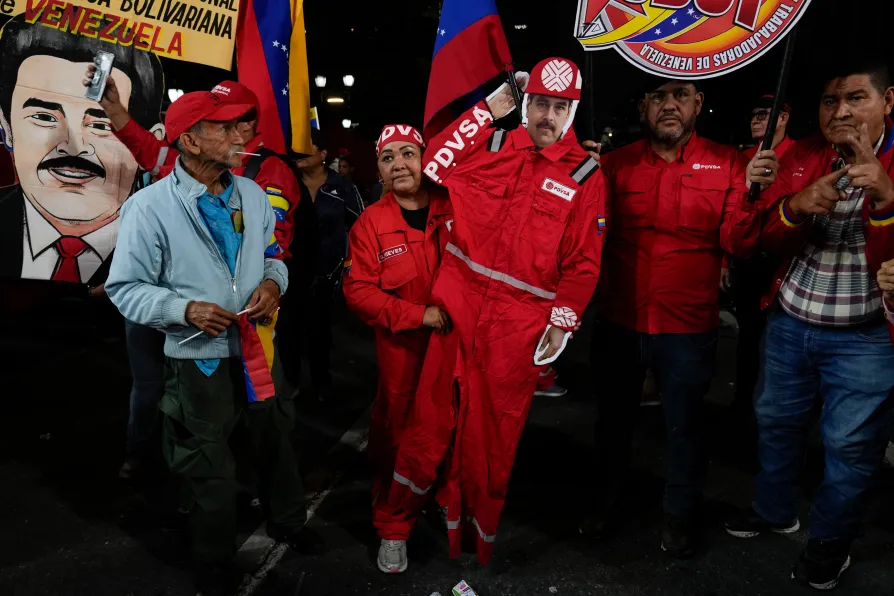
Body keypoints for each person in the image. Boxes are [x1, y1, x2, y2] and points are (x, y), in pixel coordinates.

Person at [385, 57, 607, 571]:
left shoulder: (585, 176)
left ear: (572, 112)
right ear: (526, 103)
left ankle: (468, 535)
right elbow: (434, 163)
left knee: (491, 440)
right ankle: (394, 524)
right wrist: (487, 110)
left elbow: (583, 262)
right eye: (540, 103)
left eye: (560, 107)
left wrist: (562, 322)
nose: (547, 116)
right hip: (457, 308)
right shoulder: (490, 144)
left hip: (517, 327)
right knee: (428, 425)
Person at [105, 91, 321, 594]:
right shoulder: (148, 208)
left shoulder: (251, 194)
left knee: (275, 441)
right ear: (190, 141)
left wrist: (274, 285)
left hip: (258, 350)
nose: (238, 135)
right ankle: (213, 556)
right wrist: (184, 310)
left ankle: (289, 521)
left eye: (238, 126)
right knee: (207, 463)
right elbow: (125, 289)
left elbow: (273, 258)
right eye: (223, 128)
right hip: (196, 362)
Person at [582, 76, 778, 557]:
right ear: (643, 107)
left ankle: (679, 515)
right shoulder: (612, 164)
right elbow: (583, 235)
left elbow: (739, 244)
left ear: (698, 103)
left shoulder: (731, 163)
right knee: (611, 423)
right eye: (657, 96)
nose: (669, 105)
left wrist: (754, 195)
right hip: (619, 319)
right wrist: (576, 178)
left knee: (686, 428)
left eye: (680, 95)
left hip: (688, 327)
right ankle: (603, 504)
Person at [724, 58, 894, 591]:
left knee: (850, 446)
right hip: (792, 320)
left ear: (888, 102)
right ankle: (773, 509)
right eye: (829, 101)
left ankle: (830, 542)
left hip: (868, 336)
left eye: (856, 98)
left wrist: (887, 201)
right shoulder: (798, 155)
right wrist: (793, 208)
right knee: (775, 421)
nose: (840, 112)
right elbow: (756, 242)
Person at [342, 125, 453, 574]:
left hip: (458, 352)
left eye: (408, 153)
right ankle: (393, 527)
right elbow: (358, 292)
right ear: (380, 171)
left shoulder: (457, 206)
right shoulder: (371, 223)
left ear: (426, 158)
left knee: (456, 435)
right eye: (388, 158)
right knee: (399, 442)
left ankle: (444, 501)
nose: (399, 164)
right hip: (405, 359)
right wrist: (418, 315)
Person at [0, 15, 163, 283]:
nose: (74, 146)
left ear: (149, 142)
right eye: (44, 117)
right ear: (6, 127)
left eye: (101, 125)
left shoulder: (170, 240)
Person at [725, 95, 795, 417]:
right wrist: (725, 261)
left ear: (783, 118)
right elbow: (728, 214)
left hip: (787, 264)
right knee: (749, 338)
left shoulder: (801, 154)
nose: (755, 119)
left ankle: (781, 411)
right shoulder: (741, 158)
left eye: (764, 114)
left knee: (784, 341)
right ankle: (743, 407)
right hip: (749, 261)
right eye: (753, 114)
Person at [290, 129, 365, 401]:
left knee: (320, 330)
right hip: (289, 271)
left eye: (306, 147)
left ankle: (322, 382)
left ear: (322, 154)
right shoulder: (286, 182)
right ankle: (291, 384)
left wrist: (349, 267)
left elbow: (361, 226)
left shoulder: (342, 186)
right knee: (290, 331)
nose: (298, 153)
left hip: (326, 274)